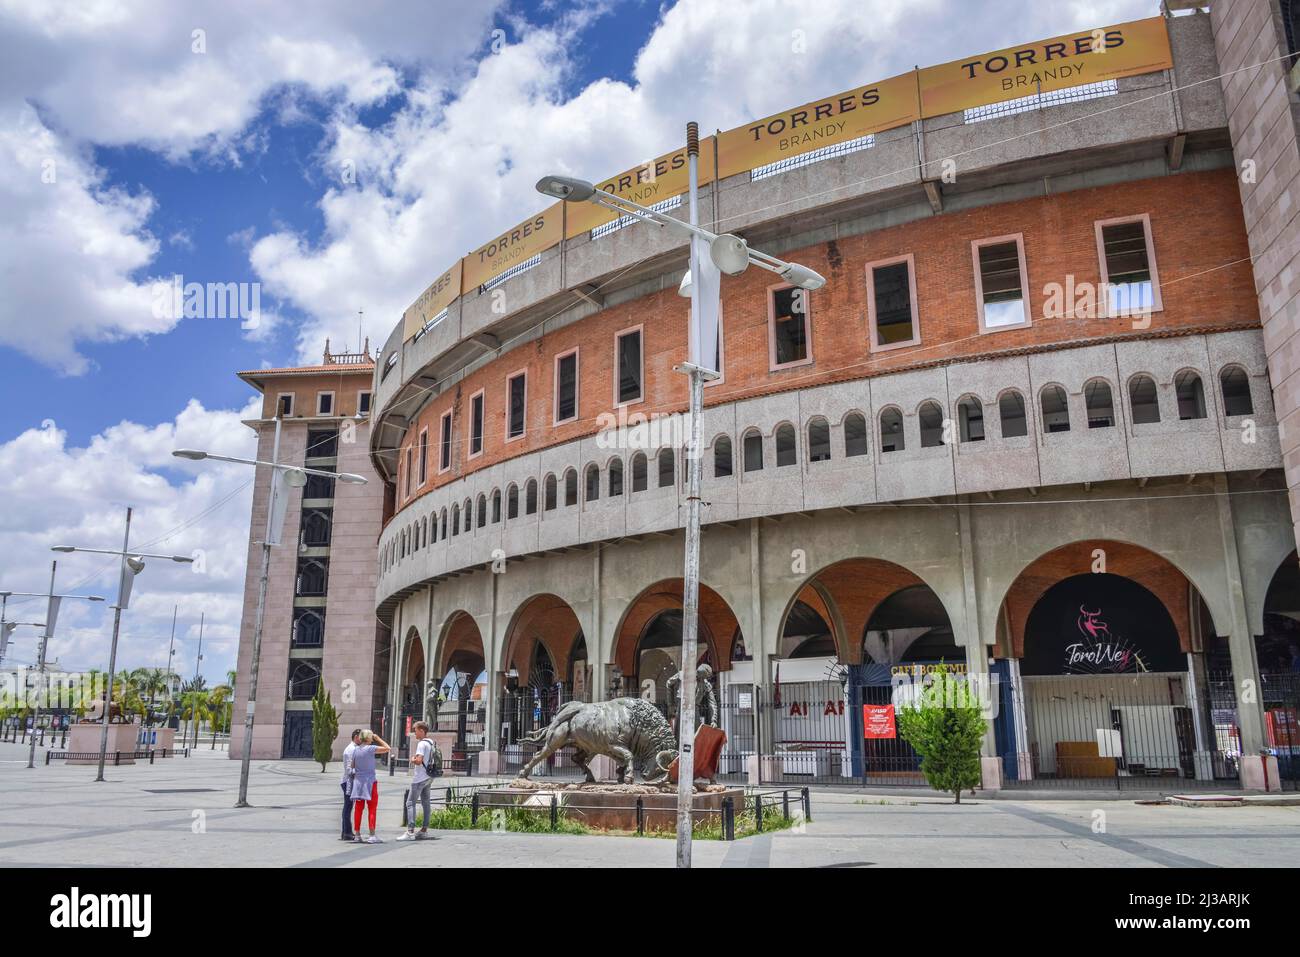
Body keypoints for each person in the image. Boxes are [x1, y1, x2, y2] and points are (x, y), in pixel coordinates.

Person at [349, 730, 391, 843]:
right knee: (372, 808)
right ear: (368, 738)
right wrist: (378, 739)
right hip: (370, 782)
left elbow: (352, 765)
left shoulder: (355, 750)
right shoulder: (370, 748)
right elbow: (387, 748)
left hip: (358, 782)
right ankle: (372, 835)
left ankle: (357, 834)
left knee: (358, 808)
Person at [398, 721, 434, 841]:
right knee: (426, 803)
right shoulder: (431, 742)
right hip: (428, 777)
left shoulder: (422, 744)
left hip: (419, 778)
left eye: (416, 730)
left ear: (422, 731)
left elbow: (419, 760)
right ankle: (424, 830)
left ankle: (410, 831)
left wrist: (412, 759)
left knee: (410, 803)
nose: (415, 733)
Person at [340, 729, 361, 842]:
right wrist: (360, 771)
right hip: (348, 781)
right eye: (361, 737)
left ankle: (346, 832)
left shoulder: (354, 748)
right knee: (348, 807)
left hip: (349, 781)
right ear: (356, 737)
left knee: (348, 807)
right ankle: (347, 833)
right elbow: (349, 769)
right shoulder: (351, 750)